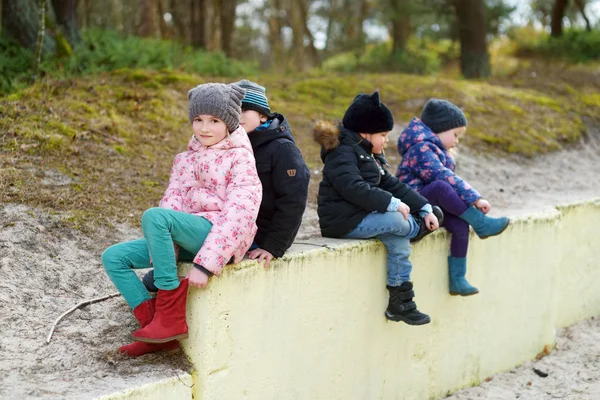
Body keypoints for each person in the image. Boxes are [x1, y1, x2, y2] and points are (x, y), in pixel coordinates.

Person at [101, 83, 261, 357]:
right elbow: (172, 203)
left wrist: (206, 264)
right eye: (198, 119)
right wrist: (164, 248)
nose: (204, 128)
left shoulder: (240, 159)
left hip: (215, 235)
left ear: (230, 122)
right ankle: (155, 327)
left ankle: (169, 313)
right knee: (114, 257)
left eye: (214, 120)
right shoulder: (184, 160)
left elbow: (239, 215)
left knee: (154, 216)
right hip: (185, 232)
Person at [313, 91, 442, 326]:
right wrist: (392, 203)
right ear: (365, 132)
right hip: (343, 221)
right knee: (398, 222)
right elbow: (353, 188)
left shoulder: (367, 153)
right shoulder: (341, 152)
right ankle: (417, 229)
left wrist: (423, 207)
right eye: (383, 135)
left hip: (362, 216)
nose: (386, 140)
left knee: (399, 242)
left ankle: (400, 303)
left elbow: (392, 184)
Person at [396, 98, 510, 296]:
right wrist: (475, 199)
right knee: (441, 186)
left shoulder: (435, 150)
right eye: (455, 135)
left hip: (429, 207)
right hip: (412, 205)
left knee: (459, 225)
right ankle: (480, 223)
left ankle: (458, 279)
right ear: (438, 130)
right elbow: (443, 178)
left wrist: (469, 202)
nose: (457, 141)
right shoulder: (421, 149)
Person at [235, 79, 310, 267]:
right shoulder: (229, 143)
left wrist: (273, 245)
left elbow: (293, 200)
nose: (237, 116)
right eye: (233, 110)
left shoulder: (282, 149)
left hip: (262, 237)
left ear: (262, 116)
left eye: (243, 110)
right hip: (232, 229)